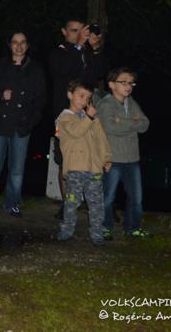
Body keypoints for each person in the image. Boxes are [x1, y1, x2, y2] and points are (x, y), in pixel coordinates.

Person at [0, 32, 46, 217]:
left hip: (21, 126)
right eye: (15, 42)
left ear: (27, 45)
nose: (19, 46)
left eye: (22, 42)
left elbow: (40, 102)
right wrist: (1, 95)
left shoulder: (36, 70)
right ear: (10, 45)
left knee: (17, 171)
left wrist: (29, 123)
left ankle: (12, 204)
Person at [49, 18, 108, 219]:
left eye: (81, 30)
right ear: (64, 32)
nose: (79, 34)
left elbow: (100, 74)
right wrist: (78, 45)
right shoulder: (60, 51)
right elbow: (63, 70)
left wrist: (96, 48)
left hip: (87, 113)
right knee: (65, 159)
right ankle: (68, 205)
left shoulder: (86, 52)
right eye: (74, 30)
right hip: (65, 114)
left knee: (89, 156)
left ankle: (88, 203)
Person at [56, 80, 111, 245]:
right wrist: (88, 117)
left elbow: (102, 140)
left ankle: (97, 234)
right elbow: (76, 132)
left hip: (93, 168)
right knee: (72, 201)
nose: (84, 100)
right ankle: (66, 230)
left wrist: (106, 158)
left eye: (88, 98)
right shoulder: (64, 118)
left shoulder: (93, 119)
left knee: (96, 204)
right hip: (75, 168)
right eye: (81, 96)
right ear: (70, 95)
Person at [97, 67, 150, 239]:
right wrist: (132, 123)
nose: (128, 86)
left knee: (136, 198)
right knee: (108, 197)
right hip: (113, 159)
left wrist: (124, 122)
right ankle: (104, 228)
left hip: (132, 158)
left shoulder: (132, 103)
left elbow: (145, 124)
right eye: (124, 82)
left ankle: (132, 227)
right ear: (112, 84)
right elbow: (110, 127)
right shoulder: (105, 104)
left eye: (131, 83)